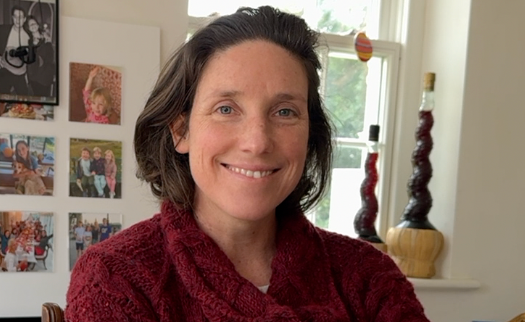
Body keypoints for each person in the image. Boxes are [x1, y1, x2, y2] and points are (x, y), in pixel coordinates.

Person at [66, 6, 429, 321]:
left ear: (309, 135)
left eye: (285, 112)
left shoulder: (369, 275)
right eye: (226, 109)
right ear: (181, 130)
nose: (257, 142)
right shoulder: (116, 277)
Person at [0, 5, 30, 96]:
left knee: (24, 98)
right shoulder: (3, 29)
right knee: (4, 99)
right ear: (12, 18)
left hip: (21, 73)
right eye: (15, 16)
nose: (17, 20)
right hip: (4, 70)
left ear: (24, 19)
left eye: (20, 17)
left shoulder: (29, 35)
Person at [25, 15, 55, 97]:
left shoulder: (46, 38)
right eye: (30, 25)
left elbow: (51, 57)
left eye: (34, 23)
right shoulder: (28, 42)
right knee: (37, 99)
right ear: (29, 28)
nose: (33, 26)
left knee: (45, 98)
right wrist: (33, 46)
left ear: (38, 25)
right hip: (35, 77)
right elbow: (29, 60)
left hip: (46, 76)